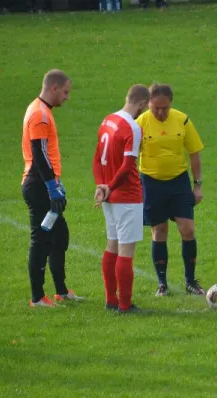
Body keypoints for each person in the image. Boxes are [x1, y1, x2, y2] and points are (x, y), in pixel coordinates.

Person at [21, 69, 83, 308]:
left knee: (59, 236)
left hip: (44, 184)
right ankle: (37, 298)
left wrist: (55, 181)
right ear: (54, 88)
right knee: (41, 240)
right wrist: (51, 186)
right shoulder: (40, 115)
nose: (67, 97)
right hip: (39, 187)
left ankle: (61, 292)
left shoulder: (40, 109)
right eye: (65, 92)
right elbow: (39, 154)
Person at [136, 84, 205, 297]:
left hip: (179, 182)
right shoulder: (140, 123)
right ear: (148, 103)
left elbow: (194, 153)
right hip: (151, 183)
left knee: (188, 229)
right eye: (156, 107)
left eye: (165, 108)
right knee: (159, 231)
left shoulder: (182, 120)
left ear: (171, 104)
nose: (160, 112)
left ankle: (190, 281)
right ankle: (162, 284)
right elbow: (129, 156)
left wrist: (198, 185)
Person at [92, 84, 150, 313]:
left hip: (110, 196)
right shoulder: (133, 128)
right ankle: (125, 305)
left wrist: (102, 185)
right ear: (143, 104)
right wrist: (110, 186)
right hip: (127, 196)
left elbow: (97, 158)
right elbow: (127, 166)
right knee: (126, 252)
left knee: (112, 245)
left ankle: (111, 300)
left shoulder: (107, 120)